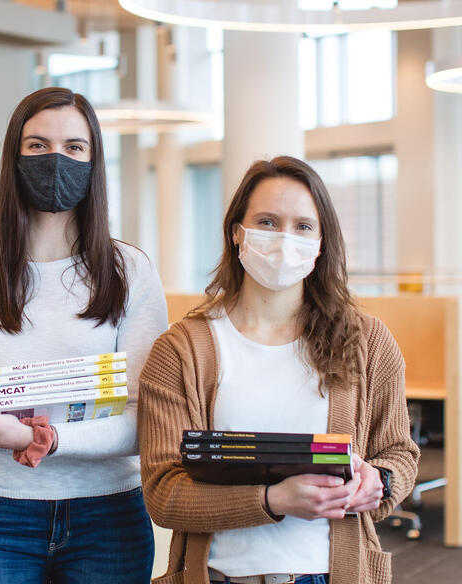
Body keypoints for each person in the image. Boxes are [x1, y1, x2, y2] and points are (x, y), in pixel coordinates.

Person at [0, 87, 168, 583]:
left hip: (107, 516)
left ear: (94, 162)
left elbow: (146, 418)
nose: (56, 160)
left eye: (74, 147)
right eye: (38, 145)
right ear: (14, 157)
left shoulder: (130, 271)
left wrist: (39, 438)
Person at [138, 156, 419, 584]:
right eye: (267, 222)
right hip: (220, 576)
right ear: (237, 232)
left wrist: (379, 481)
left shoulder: (368, 342)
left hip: (330, 574)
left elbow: (399, 453)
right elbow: (163, 494)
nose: (284, 240)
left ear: (321, 242)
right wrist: (272, 500)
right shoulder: (180, 351)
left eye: (303, 226)